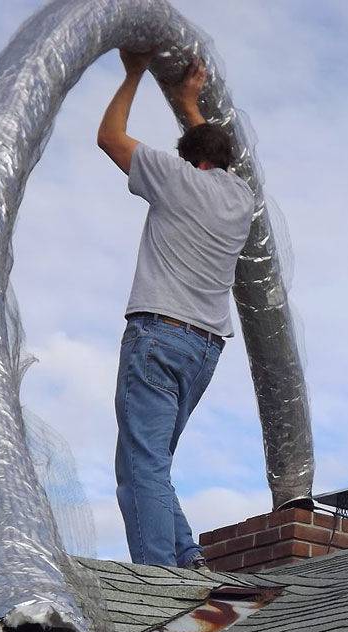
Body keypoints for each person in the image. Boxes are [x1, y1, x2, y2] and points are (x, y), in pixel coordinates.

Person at [96, 49, 255, 568]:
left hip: (159, 338)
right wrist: (189, 102)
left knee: (141, 466)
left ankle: (159, 576)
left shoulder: (176, 177)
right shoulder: (240, 199)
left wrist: (133, 72)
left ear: (191, 161)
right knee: (152, 462)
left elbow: (110, 138)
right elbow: (210, 148)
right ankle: (187, 558)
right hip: (203, 351)